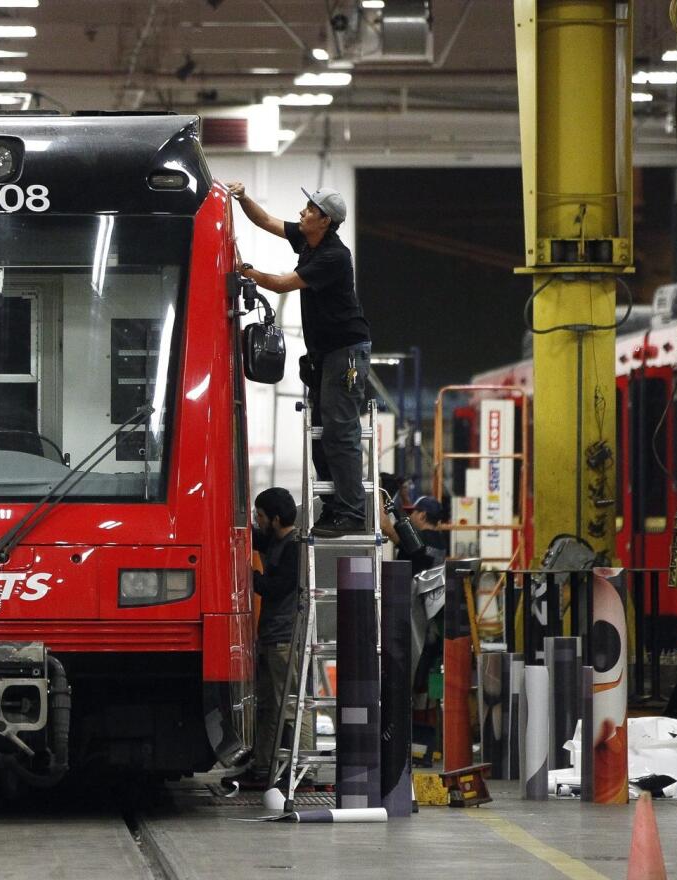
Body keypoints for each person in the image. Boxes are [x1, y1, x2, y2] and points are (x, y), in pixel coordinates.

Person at [226, 182, 373, 537]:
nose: (301, 213)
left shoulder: (333, 256)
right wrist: (244, 197)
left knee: (340, 432)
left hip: (345, 353)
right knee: (323, 435)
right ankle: (335, 508)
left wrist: (249, 273)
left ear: (324, 220)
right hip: (326, 354)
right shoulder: (309, 241)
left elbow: (280, 284)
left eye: (309, 210)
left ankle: (352, 511)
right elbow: (267, 222)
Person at [243, 487, 311, 789]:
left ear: (276, 518)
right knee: (268, 706)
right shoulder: (276, 539)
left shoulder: (294, 548)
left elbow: (276, 588)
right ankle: (263, 765)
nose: (258, 522)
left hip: (285, 639)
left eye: (261, 516)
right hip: (270, 637)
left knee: (292, 704)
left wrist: (250, 576)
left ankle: (303, 769)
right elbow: (254, 537)